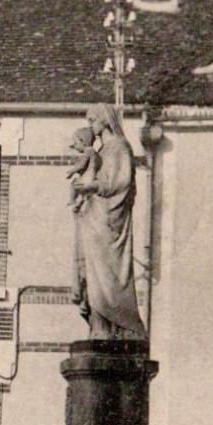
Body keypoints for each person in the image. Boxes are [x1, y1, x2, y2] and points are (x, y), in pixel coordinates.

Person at [71, 103, 146, 340]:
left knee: (108, 273)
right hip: (93, 218)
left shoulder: (120, 148)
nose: (90, 126)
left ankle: (120, 325)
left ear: (104, 119)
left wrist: (94, 186)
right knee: (92, 274)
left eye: (92, 120)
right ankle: (99, 327)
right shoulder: (101, 151)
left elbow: (120, 184)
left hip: (109, 222)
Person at [66, 125, 99, 212]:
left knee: (73, 185)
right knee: (84, 193)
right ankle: (80, 202)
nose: (75, 146)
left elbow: (81, 165)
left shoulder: (87, 153)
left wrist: (71, 172)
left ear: (83, 142)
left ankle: (72, 200)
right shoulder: (94, 153)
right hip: (93, 177)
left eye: (76, 143)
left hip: (86, 178)